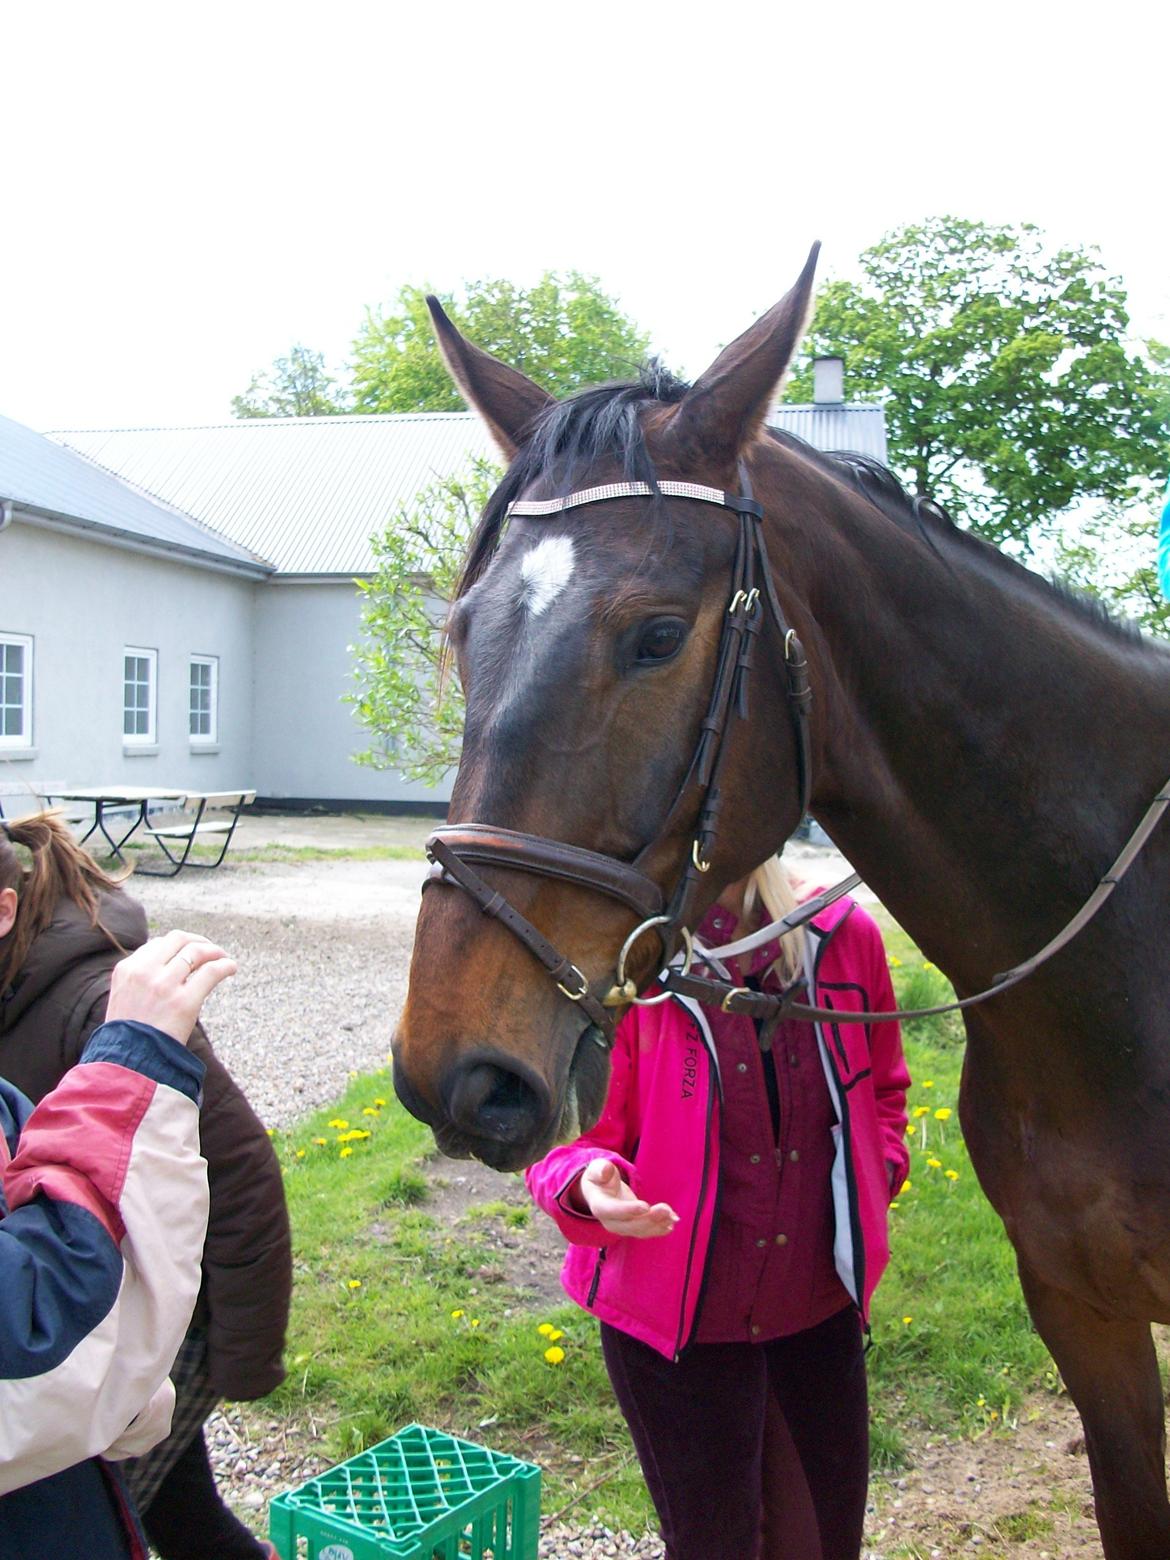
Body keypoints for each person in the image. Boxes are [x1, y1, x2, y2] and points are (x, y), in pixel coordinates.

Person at [526, 854, 911, 1560]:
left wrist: (875, 1176)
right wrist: (589, 1182)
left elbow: (884, 1092)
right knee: (713, 1544)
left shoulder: (844, 938)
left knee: (825, 1542)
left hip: (816, 1312)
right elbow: (566, 1139)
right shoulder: (625, 968)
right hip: (675, 1331)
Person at [0, 811, 290, 1560]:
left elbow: (244, 1175)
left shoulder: (100, 1006)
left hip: (149, 1325)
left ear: (4, 911)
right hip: (81, 1335)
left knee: (136, 1510)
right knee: (180, 1513)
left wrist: (245, 1356)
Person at [1, 926, 234, 1558]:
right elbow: (39, 1361)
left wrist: (243, 1346)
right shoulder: (110, 1004)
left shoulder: (87, 994)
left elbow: (243, 1169)